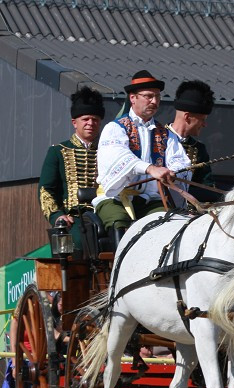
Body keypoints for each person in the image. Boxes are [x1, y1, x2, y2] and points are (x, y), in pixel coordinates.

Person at [95, 70, 192, 242]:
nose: (154, 101)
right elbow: (118, 154)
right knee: (118, 220)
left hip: (149, 200)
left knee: (168, 221)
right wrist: (150, 169)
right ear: (133, 98)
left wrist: (172, 172)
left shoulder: (166, 134)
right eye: (148, 96)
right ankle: (117, 267)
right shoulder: (115, 128)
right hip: (116, 197)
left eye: (157, 97)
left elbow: (180, 161)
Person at [38, 86, 106, 257]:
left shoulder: (109, 151)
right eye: (86, 119)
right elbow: (46, 189)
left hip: (105, 213)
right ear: (74, 122)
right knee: (78, 244)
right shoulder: (58, 151)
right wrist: (57, 217)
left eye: (95, 119)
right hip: (73, 217)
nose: (91, 123)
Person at [167, 80, 221, 205]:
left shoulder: (199, 149)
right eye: (202, 119)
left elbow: (207, 187)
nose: (205, 124)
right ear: (187, 117)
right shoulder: (156, 139)